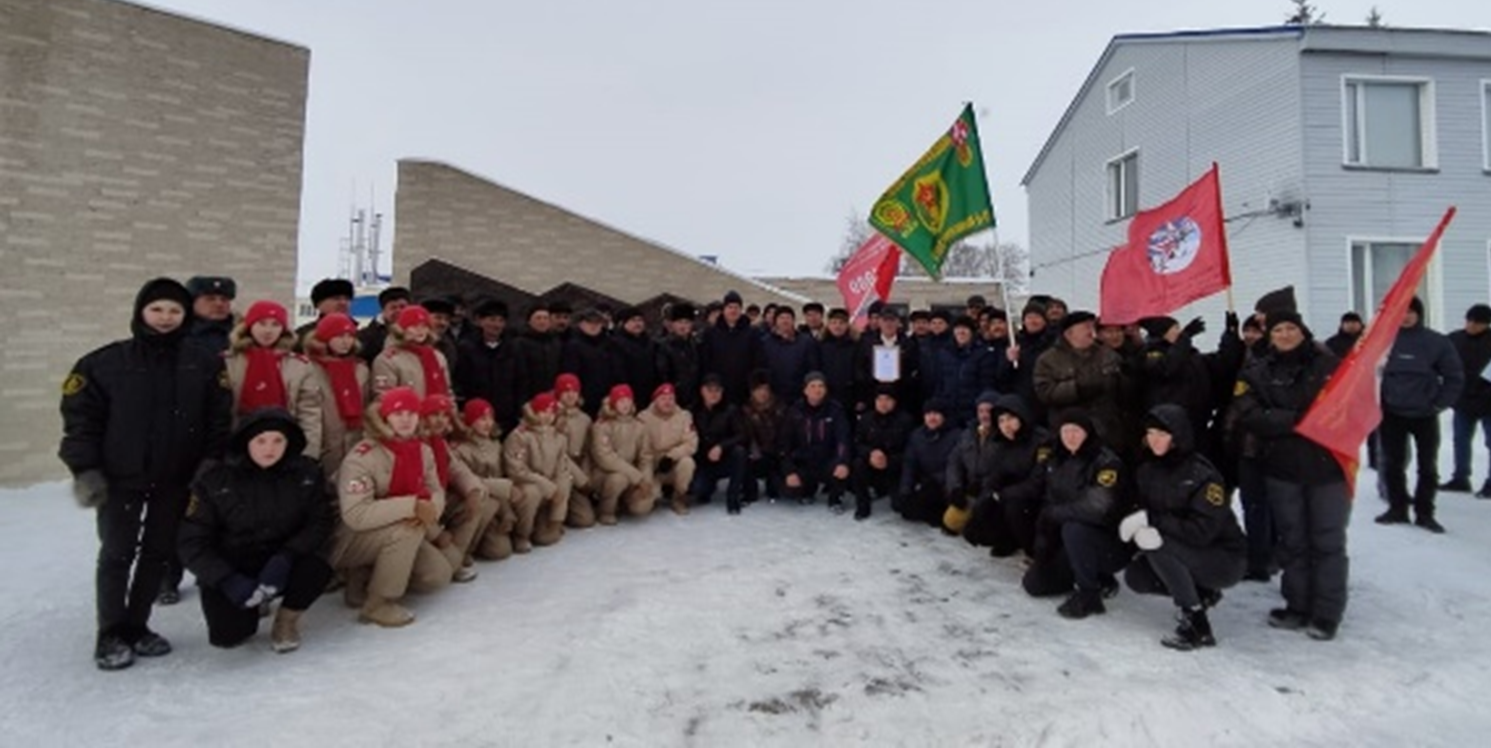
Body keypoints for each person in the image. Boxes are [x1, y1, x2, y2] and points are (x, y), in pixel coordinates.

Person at [60, 277, 232, 670]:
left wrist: (209, 463)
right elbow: (81, 423)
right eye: (157, 309)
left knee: (157, 553)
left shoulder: (203, 362)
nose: (165, 317)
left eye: (174, 310)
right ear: (141, 311)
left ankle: (138, 626)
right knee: (117, 553)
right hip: (121, 479)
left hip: (176, 479)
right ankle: (110, 633)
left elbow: (218, 420)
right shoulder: (104, 363)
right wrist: (86, 469)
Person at [177, 408, 333, 653]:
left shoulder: (306, 473)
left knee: (317, 567)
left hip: (281, 558)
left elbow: (319, 521)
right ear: (246, 442)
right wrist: (226, 579)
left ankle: (286, 619)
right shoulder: (215, 478)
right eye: (261, 441)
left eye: (278, 440)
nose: (269, 449)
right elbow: (192, 541)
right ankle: (252, 602)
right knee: (228, 636)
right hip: (234, 563)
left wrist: (286, 556)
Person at [1234, 311, 1348, 641]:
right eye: (1278, 330)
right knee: (1292, 540)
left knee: (1327, 540)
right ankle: (1297, 605)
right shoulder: (1257, 371)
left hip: (1328, 467)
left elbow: (1342, 407)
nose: (1285, 335)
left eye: (1291, 328)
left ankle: (1326, 613)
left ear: (1303, 331)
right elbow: (1250, 414)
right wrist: (1298, 420)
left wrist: (1288, 419)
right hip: (1281, 467)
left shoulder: (1330, 366)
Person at [1119, 405, 1246, 651]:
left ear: (1177, 437)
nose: (1155, 440)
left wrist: (1154, 521)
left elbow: (1202, 531)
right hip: (1184, 548)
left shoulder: (1201, 475)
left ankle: (1197, 623)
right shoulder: (1147, 469)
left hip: (1223, 557)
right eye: (1150, 433)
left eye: (1162, 434)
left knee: (1155, 542)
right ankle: (1201, 593)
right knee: (1137, 576)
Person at [330, 387, 452, 628]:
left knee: (437, 575)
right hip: (348, 536)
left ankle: (367, 575)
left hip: (397, 528)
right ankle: (378, 603)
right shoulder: (363, 456)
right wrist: (412, 507)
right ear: (384, 417)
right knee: (407, 530)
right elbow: (356, 514)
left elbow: (436, 490)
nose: (406, 419)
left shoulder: (422, 451)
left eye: (411, 413)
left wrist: (430, 511)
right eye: (398, 414)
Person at [1022, 409, 1130, 620]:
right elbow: (1043, 495)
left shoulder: (1106, 463)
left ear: (1087, 433)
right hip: (1065, 536)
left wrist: (1054, 514)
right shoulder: (1057, 458)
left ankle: (1090, 593)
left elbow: (1097, 508)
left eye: (1076, 431)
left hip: (1105, 540)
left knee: (1076, 529)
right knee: (1034, 584)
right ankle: (1085, 574)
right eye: (1065, 431)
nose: (1070, 437)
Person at [1376, 297, 1463, 533]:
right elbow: (1366, 372)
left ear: (1419, 314)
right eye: (1401, 312)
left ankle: (1425, 512)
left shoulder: (1436, 342)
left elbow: (1454, 377)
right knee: (1392, 463)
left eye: (1410, 312)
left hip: (1425, 414)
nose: (1406, 317)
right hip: (1392, 413)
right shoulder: (1382, 341)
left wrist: (1439, 404)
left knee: (1427, 466)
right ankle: (1397, 508)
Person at [223, 300, 322, 457]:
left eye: (275, 324)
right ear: (249, 326)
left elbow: (309, 413)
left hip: (284, 443)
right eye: (262, 323)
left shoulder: (299, 365)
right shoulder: (229, 361)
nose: (268, 331)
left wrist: (308, 454)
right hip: (237, 443)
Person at [957, 393, 1049, 557]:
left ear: (1021, 416)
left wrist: (1001, 495)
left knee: (1014, 506)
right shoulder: (1000, 443)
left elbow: (1038, 482)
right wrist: (983, 503)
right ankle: (1006, 539)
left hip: (1038, 500)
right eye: (1001, 421)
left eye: (1011, 418)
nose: (1006, 425)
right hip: (1010, 495)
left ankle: (1032, 549)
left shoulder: (1041, 440)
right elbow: (994, 476)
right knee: (984, 510)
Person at [419, 394, 494, 583]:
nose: (440, 420)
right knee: (437, 574)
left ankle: (456, 557)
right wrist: (436, 532)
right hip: (421, 511)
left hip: (441, 500)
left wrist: (473, 490)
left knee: (479, 502)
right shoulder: (416, 444)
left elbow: (457, 469)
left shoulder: (439, 442)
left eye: (445, 415)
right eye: (434, 415)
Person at [1033, 311, 1127, 453]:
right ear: (1069, 333)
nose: (1091, 332)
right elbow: (1044, 392)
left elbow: (1122, 391)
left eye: (1092, 327)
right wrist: (1076, 388)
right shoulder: (1048, 360)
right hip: (1069, 431)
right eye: (1085, 327)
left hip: (1104, 429)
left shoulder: (1107, 354)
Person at [303, 313, 371, 486]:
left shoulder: (361, 369)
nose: (345, 341)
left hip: (354, 441)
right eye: (339, 336)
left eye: (349, 336)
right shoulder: (309, 368)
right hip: (324, 442)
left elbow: (367, 405)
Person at [502, 391, 574, 547]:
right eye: (543, 411)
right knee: (531, 492)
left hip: (549, 493)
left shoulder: (559, 437)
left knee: (565, 479)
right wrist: (546, 485)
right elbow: (516, 470)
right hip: (526, 487)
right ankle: (521, 535)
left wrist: (557, 510)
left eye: (551, 412)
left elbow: (562, 467)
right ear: (534, 412)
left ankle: (553, 522)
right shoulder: (520, 436)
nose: (548, 416)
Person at [780, 372, 851, 512]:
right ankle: (807, 490)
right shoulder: (795, 411)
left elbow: (843, 439)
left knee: (841, 469)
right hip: (804, 460)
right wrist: (789, 470)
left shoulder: (835, 410)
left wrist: (843, 462)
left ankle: (835, 498)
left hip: (828, 459)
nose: (817, 390)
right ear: (805, 390)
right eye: (812, 386)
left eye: (821, 386)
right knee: (789, 490)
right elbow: (785, 443)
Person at [454, 299, 522, 433]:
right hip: (477, 417)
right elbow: (460, 382)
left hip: (506, 417)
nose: (496, 325)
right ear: (480, 321)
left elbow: (520, 382)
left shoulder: (513, 349)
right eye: (492, 319)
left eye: (501, 320)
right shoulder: (466, 348)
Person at [588, 384, 655, 520]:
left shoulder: (639, 426)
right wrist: (636, 476)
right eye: (621, 401)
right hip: (604, 473)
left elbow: (646, 456)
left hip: (632, 475)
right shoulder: (602, 426)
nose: (625, 404)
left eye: (628, 400)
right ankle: (606, 511)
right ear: (613, 403)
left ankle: (625, 501)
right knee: (619, 479)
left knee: (642, 506)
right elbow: (605, 457)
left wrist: (645, 480)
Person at [1445, 304, 1491, 497]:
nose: (1471, 325)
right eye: (1469, 320)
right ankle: (1460, 478)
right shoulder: (1454, 339)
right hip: (1462, 399)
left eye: (1477, 322)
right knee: (1460, 440)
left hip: (1488, 401)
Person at [851, 384, 915, 521]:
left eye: (887, 399)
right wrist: (871, 453)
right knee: (857, 464)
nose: (883, 403)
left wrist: (890, 461)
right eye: (879, 399)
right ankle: (863, 505)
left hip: (895, 468)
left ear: (894, 402)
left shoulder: (906, 420)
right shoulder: (866, 419)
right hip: (871, 463)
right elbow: (857, 443)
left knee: (900, 506)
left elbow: (911, 451)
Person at [895, 399, 962, 526]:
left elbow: (956, 466)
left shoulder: (956, 435)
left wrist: (936, 481)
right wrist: (905, 489)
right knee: (904, 508)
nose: (932, 418)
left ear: (944, 416)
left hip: (946, 485)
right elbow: (909, 464)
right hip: (924, 483)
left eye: (936, 414)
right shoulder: (917, 436)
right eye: (928, 414)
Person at [639, 383, 699, 515]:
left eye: (671, 398)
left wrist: (671, 456)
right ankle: (654, 494)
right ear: (655, 401)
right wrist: (650, 468)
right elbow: (642, 449)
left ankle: (679, 498)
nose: (668, 402)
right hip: (652, 466)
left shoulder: (684, 416)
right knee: (645, 502)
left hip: (672, 464)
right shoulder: (643, 418)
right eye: (663, 399)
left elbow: (691, 443)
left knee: (687, 462)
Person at [691, 374, 747, 514]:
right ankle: (707, 486)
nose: (714, 394)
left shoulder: (731, 410)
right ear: (702, 391)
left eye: (717, 390)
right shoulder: (693, 410)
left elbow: (742, 435)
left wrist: (721, 446)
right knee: (698, 490)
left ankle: (733, 497)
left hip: (724, 459)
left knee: (739, 452)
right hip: (702, 461)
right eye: (710, 390)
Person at [934, 316, 1003, 428]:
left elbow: (987, 383)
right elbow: (939, 382)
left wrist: (981, 406)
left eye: (965, 329)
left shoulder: (983, 353)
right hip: (949, 409)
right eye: (958, 328)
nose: (961, 332)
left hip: (972, 410)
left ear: (972, 332)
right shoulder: (944, 353)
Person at [701, 291, 767, 406]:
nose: (733, 311)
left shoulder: (752, 333)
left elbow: (758, 361)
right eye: (730, 307)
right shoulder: (711, 333)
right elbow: (706, 361)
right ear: (724, 310)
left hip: (744, 390)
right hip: (718, 390)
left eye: (736, 307)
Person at [372, 305, 452, 399]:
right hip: (404, 408)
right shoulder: (388, 359)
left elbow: (448, 391)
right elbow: (384, 396)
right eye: (414, 326)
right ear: (402, 329)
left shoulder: (438, 356)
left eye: (424, 326)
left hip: (438, 407)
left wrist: (451, 407)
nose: (420, 330)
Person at [738, 370, 785, 505]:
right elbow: (744, 434)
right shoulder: (745, 410)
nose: (762, 393)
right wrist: (754, 449)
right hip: (755, 453)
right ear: (752, 391)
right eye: (758, 389)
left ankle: (773, 487)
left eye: (766, 389)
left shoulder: (781, 408)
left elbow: (785, 435)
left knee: (782, 486)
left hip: (776, 453)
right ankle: (750, 492)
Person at [560, 308, 617, 418]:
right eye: (589, 322)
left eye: (597, 322)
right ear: (581, 324)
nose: (593, 326)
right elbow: (570, 374)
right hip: (583, 399)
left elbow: (616, 370)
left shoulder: (610, 344)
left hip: (607, 398)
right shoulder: (572, 345)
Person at [762, 306, 821, 404]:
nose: (785, 321)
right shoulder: (765, 342)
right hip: (774, 394)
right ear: (775, 321)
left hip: (799, 395)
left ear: (793, 321)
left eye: (788, 318)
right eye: (781, 318)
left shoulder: (806, 341)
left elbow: (813, 367)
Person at [607, 307, 661, 410]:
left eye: (640, 320)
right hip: (628, 395)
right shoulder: (615, 343)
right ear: (623, 323)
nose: (637, 324)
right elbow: (618, 371)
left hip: (650, 393)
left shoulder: (651, 343)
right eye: (633, 320)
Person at [514, 303, 563, 403]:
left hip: (552, 395)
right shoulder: (520, 343)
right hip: (529, 396)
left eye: (545, 318)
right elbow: (520, 374)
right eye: (538, 318)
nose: (542, 321)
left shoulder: (555, 342)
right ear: (529, 321)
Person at [657, 303, 701, 411]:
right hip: (673, 399)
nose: (683, 326)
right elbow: (662, 375)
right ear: (672, 324)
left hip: (696, 400)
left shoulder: (698, 345)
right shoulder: (664, 346)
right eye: (679, 322)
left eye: (686, 322)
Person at [295, 278, 355, 349]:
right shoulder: (301, 336)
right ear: (319, 304)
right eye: (336, 298)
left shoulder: (359, 335)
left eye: (347, 299)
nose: (343, 303)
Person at [358, 286, 411, 363]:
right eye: (393, 307)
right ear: (383, 311)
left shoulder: (421, 332)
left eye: (402, 307)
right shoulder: (367, 336)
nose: (398, 311)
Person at [185, 275, 236, 355]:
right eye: (210, 299)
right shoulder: (179, 333)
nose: (219, 304)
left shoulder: (243, 334)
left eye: (224, 299)